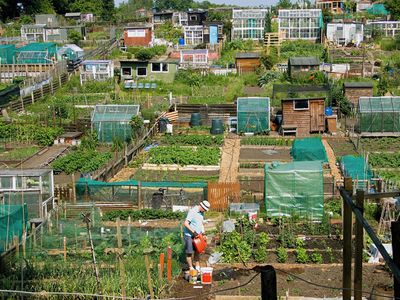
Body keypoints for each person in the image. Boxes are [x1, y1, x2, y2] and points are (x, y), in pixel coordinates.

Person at [183, 200, 210, 271]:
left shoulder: (202, 213)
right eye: (204, 209)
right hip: (189, 235)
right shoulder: (192, 211)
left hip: (197, 236)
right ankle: (191, 267)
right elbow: (186, 223)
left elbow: (200, 224)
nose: (204, 211)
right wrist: (193, 232)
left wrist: (203, 233)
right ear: (201, 206)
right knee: (189, 252)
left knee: (198, 250)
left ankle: (197, 266)